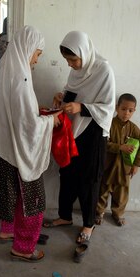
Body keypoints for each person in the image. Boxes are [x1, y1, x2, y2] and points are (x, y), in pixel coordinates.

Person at [0, 25, 62, 262]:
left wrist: (36, 113)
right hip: (18, 149)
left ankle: (7, 230)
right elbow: (27, 125)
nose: (37, 59)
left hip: (2, 145)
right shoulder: (20, 77)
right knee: (31, 199)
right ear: (27, 49)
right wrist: (52, 121)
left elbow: (12, 112)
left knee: (8, 191)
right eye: (37, 53)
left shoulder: (1, 69)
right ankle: (24, 247)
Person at [43, 31, 116, 244]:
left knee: (89, 181)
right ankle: (65, 217)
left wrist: (81, 107)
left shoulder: (103, 70)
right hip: (73, 131)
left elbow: (108, 108)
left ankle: (88, 224)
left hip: (93, 134)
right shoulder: (77, 73)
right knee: (67, 174)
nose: (71, 65)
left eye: (73, 59)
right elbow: (72, 93)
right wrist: (62, 97)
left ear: (84, 53)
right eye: (67, 60)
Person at [95, 93, 140, 226]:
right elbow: (103, 143)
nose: (126, 113)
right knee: (103, 189)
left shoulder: (134, 129)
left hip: (125, 168)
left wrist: (136, 164)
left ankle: (118, 214)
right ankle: (99, 212)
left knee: (121, 192)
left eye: (130, 110)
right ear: (116, 108)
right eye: (123, 109)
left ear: (134, 111)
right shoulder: (108, 124)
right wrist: (120, 147)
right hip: (108, 165)